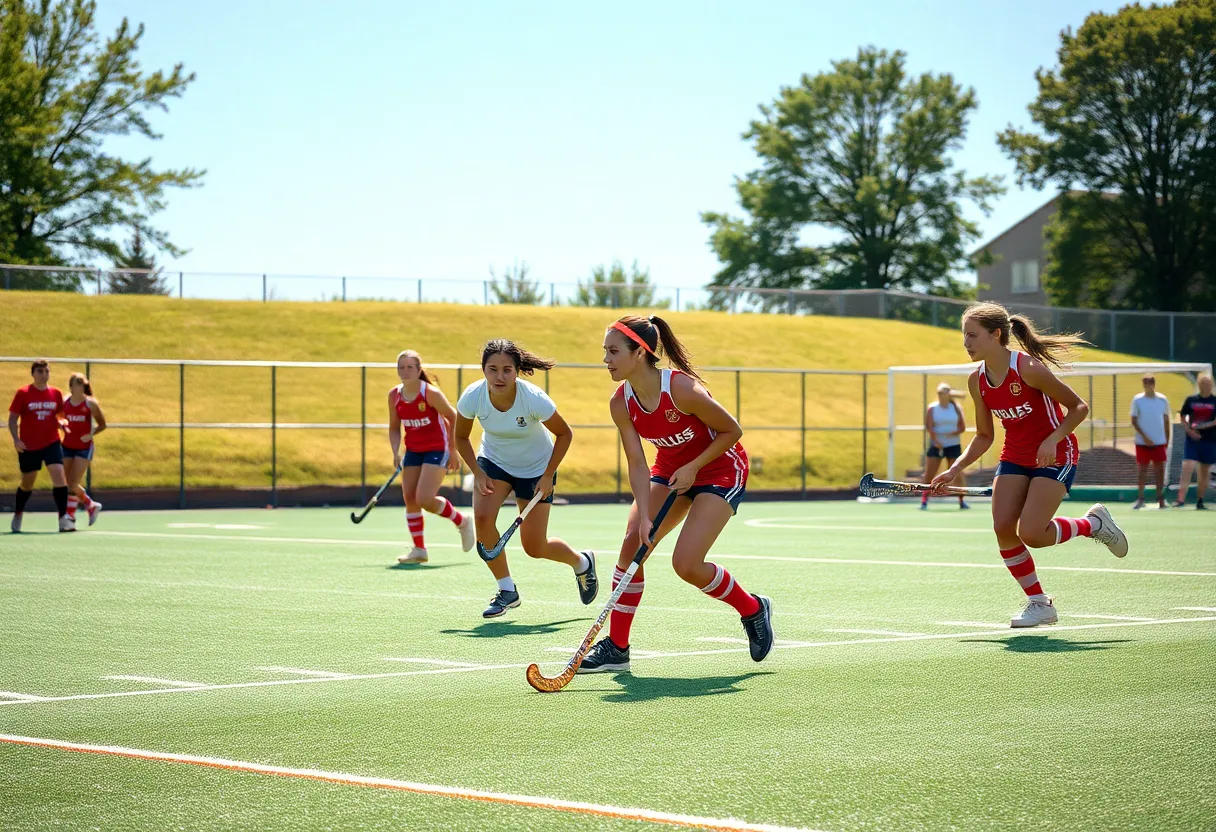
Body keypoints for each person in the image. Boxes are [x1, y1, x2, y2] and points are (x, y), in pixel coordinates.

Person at [577, 314, 774, 674]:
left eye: (613, 351)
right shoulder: (620, 402)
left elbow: (732, 431)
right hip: (668, 471)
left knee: (686, 565)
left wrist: (695, 466)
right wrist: (646, 516)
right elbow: (637, 463)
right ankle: (618, 648)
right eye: (605, 351)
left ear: (640, 352)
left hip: (720, 468)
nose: (605, 359)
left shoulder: (681, 389)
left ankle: (753, 609)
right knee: (632, 546)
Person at [931, 303, 1128, 628]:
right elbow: (983, 435)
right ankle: (1040, 603)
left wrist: (1053, 439)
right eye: (964, 335)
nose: (966, 342)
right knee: (1003, 528)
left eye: (972, 335)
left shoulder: (1028, 368)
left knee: (1033, 533)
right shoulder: (976, 381)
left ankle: (1092, 525)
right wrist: (955, 468)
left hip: (1057, 453)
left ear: (996, 335)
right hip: (1015, 456)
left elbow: (1078, 407)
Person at [453, 339, 597, 618]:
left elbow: (565, 434)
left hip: (536, 469)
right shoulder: (473, 396)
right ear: (483, 370)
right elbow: (460, 437)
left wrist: (547, 476)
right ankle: (507, 590)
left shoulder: (532, 398)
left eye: (507, 370)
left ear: (517, 371)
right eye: (493, 369)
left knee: (534, 547)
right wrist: (478, 472)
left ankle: (582, 563)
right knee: (483, 520)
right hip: (494, 462)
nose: (500, 376)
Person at [387, 350, 474, 564]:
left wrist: (453, 450)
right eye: (401, 367)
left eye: (410, 367)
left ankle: (461, 521)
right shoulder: (395, 395)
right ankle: (419, 549)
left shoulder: (430, 393)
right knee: (410, 498)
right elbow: (394, 427)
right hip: (413, 450)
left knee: (424, 498)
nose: (405, 371)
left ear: (418, 370)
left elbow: (453, 417)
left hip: (438, 448)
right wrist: (395, 452)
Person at [8, 359, 71, 532]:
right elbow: (13, 419)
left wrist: (62, 422)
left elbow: (59, 415)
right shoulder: (23, 393)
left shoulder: (56, 393)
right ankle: (19, 513)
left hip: (51, 442)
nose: (44, 375)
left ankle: (63, 519)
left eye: (46, 371)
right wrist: (16, 439)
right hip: (29, 446)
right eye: (40, 372)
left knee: (59, 476)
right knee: (27, 484)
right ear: (33, 373)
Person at [61, 372, 106, 527]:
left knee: (74, 482)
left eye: (82, 384)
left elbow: (102, 424)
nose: (80, 386)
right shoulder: (65, 401)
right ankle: (90, 505)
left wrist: (90, 434)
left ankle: (71, 515)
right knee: (67, 482)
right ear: (71, 386)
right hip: (67, 445)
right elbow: (59, 417)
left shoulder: (90, 404)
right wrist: (63, 425)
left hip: (83, 448)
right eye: (77, 383)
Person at [921, 382, 970, 510]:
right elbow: (929, 427)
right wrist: (937, 441)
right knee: (929, 473)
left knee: (957, 473)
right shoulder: (933, 408)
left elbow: (962, 427)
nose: (942, 394)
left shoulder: (956, 408)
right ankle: (924, 500)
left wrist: (952, 434)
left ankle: (961, 500)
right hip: (936, 445)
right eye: (940, 392)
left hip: (953, 445)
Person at [1129, 374, 1171, 510]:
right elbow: (1134, 420)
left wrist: (1166, 440)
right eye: (1146, 382)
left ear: (1154, 384)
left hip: (1159, 442)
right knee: (1142, 470)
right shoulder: (1138, 400)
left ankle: (1161, 499)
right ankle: (1141, 498)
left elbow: (1166, 420)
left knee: (1160, 471)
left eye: (1150, 382)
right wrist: (1145, 437)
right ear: (1143, 384)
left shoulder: (1163, 400)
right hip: (1142, 442)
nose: (1148, 385)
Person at [1174, 373, 1215, 510]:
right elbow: (1183, 416)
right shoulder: (1191, 400)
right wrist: (1190, 430)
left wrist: (1202, 427)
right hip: (1192, 441)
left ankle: (1200, 500)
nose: (1206, 386)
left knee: (1204, 471)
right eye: (1203, 384)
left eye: (1208, 384)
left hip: (1209, 440)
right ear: (1199, 385)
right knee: (1188, 467)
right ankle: (1180, 500)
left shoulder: (1214, 401)